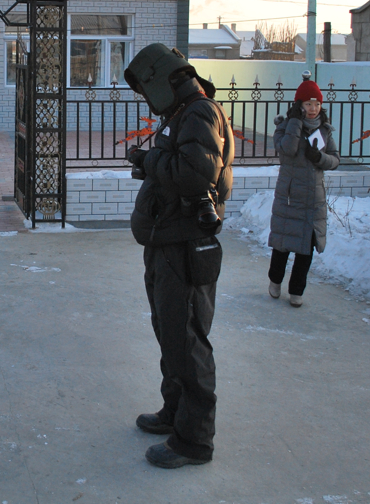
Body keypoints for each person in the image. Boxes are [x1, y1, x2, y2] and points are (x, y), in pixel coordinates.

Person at [123, 43, 234, 469]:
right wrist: (152, 161)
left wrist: (150, 159)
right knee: (170, 333)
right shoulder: (182, 114)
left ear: (166, 80)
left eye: (146, 88)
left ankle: (194, 441)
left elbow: (195, 173)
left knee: (187, 340)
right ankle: (176, 413)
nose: (147, 99)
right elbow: (179, 163)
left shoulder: (201, 113)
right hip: (167, 241)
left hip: (186, 246)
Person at [267, 77, 340, 307]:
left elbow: (336, 160)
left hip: (313, 199)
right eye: (308, 104)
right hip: (289, 198)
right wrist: (296, 123)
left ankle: (297, 290)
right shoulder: (285, 127)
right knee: (282, 245)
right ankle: (275, 281)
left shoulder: (325, 131)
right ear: (299, 105)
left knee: (306, 249)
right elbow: (286, 149)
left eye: (316, 104)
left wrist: (320, 158)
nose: (313, 109)